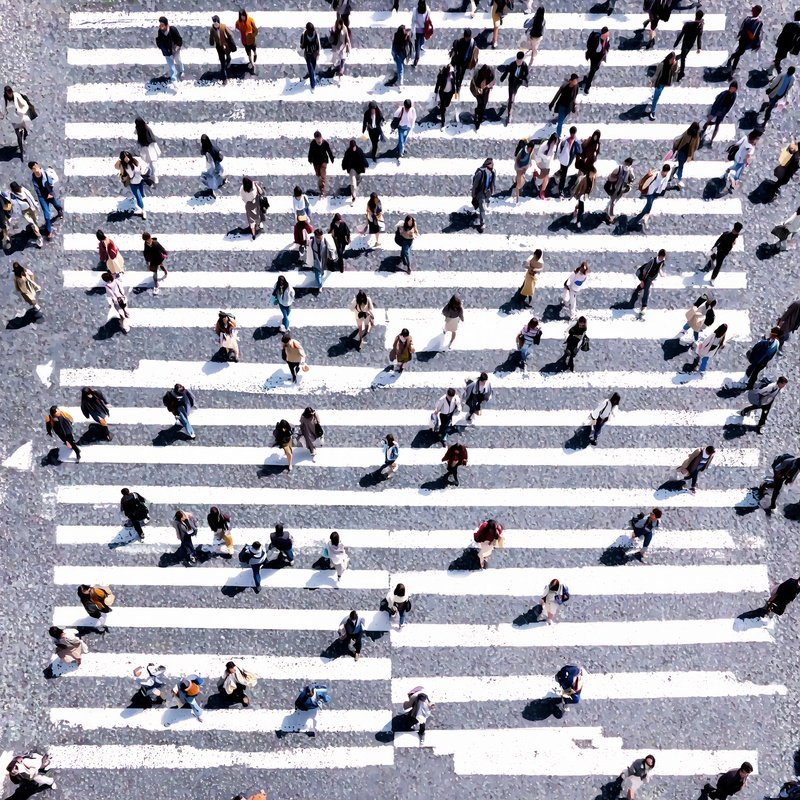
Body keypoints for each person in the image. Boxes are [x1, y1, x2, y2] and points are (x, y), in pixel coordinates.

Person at [28, 161, 62, 239]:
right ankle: (49, 231)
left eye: (35, 167)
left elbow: (52, 182)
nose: (35, 169)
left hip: (50, 193)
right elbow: (37, 189)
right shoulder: (34, 178)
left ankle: (60, 210)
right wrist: (41, 196)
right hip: (42, 197)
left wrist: (50, 193)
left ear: (37, 165)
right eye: (33, 168)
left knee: (56, 204)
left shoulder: (46, 173)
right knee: (46, 215)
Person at [725, 5, 763, 74]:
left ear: (757, 11)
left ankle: (731, 60)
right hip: (742, 39)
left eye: (753, 9)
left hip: (748, 42)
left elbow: (753, 36)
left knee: (739, 53)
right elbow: (742, 27)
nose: (752, 9)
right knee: (739, 53)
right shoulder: (748, 18)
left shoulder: (758, 22)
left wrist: (746, 31)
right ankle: (733, 67)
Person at [632, 163, 671, 229]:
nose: (666, 173)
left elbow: (664, 185)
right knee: (649, 206)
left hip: (657, 193)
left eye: (667, 172)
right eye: (665, 172)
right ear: (664, 171)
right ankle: (638, 220)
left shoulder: (667, 176)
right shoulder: (656, 174)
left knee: (649, 206)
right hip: (650, 193)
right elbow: (647, 180)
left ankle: (644, 216)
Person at [632, 249, 667, 316]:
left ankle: (638, 292)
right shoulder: (652, 261)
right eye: (661, 257)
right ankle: (644, 306)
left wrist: (662, 274)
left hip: (652, 277)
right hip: (646, 276)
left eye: (663, 257)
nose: (662, 259)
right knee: (646, 289)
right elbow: (645, 271)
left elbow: (659, 268)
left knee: (645, 286)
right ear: (658, 256)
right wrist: (642, 281)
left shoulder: (662, 262)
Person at [8, 180, 43, 247]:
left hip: (29, 209)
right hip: (28, 210)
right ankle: (39, 236)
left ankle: (37, 233)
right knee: (33, 223)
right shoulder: (20, 191)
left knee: (34, 222)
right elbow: (31, 198)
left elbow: (15, 205)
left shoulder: (17, 193)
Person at [115, 150, 149, 218]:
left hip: (140, 181)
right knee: (138, 196)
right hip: (133, 183)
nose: (126, 158)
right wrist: (119, 160)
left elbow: (141, 169)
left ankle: (140, 203)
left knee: (142, 194)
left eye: (127, 157)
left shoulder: (135, 161)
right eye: (124, 157)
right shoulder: (123, 166)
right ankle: (143, 210)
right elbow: (116, 166)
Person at [3, 85, 33, 159]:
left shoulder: (16, 96)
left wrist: (21, 111)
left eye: (11, 92)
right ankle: (21, 151)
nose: (10, 94)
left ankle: (25, 135)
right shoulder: (3, 100)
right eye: (8, 92)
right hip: (14, 121)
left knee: (26, 130)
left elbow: (25, 105)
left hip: (21, 118)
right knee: (18, 136)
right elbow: (3, 110)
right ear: (6, 93)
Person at [674, 10, 704, 81]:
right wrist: (699, 47)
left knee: (683, 57)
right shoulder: (700, 26)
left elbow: (681, 34)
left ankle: (681, 72)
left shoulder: (687, 24)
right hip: (690, 43)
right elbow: (699, 38)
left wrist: (676, 43)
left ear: (695, 15)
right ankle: (681, 71)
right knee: (683, 57)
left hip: (685, 42)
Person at [499, 52, 528, 125]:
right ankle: (509, 115)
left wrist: (524, 80)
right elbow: (506, 71)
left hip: (518, 82)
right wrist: (502, 78)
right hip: (512, 82)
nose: (518, 62)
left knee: (514, 93)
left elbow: (526, 73)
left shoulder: (524, 65)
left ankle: (510, 100)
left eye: (519, 60)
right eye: (517, 60)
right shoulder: (512, 64)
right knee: (512, 99)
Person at [449, 28, 479, 98]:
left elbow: (475, 51)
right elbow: (455, 47)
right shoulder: (460, 42)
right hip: (459, 61)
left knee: (461, 74)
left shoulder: (472, 43)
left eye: (468, 38)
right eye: (466, 37)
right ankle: (457, 86)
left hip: (466, 62)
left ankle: (458, 86)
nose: (467, 39)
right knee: (458, 73)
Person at [603, 157, 634, 224]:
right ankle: (610, 217)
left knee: (613, 201)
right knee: (613, 202)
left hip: (622, 190)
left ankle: (606, 210)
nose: (626, 165)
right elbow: (610, 177)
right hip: (614, 188)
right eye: (626, 163)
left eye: (628, 164)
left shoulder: (630, 171)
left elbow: (632, 179)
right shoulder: (618, 169)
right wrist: (615, 179)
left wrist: (628, 184)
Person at [670, 122, 700, 189]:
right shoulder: (696, 136)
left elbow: (681, 139)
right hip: (686, 154)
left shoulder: (688, 132)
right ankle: (679, 179)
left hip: (681, 151)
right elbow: (696, 146)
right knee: (681, 166)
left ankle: (674, 174)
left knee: (679, 164)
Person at [649, 52, 678, 120]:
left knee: (657, 94)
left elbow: (674, 73)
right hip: (660, 83)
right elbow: (656, 74)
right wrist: (651, 81)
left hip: (666, 83)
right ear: (668, 58)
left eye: (674, 59)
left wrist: (676, 70)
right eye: (672, 59)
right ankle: (652, 112)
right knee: (656, 97)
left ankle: (654, 97)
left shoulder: (674, 64)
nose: (673, 60)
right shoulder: (662, 65)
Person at [549, 73, 579, 138]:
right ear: (571, 81)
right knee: (560, 123)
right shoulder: (565, 86)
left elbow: (574, 97)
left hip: (568, 107)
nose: (575, 82)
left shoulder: (576, 86)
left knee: (561, 119)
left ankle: (558, 119)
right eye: (574, 81)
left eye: (576, 81)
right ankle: (558, 136)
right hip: (562, 106)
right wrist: (552, 103)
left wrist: (573, 106)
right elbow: (557, 94)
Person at [208, 15, 235, 85]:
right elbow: (211, 37)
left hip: (226, 46)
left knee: (228, 58)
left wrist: (232, 43)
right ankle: (224, 78)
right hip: (219, 47)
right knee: (222, 62)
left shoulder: (223, 26)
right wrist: (211, 42)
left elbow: (229, 35)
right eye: (214, 23)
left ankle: (224, 69)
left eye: (216, 23)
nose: (215, 24)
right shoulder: (212, 29)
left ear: (219, 22)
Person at [582, 27, 610, 94]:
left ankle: (588, 77)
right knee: (593, 71)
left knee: (596, 68)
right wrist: (591, 54)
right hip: (594, 56)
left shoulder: (607, 38)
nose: (608, 34)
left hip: (601, 55)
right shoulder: (596, 38)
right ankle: (587, 87)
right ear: (603, 34)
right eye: (606, 33)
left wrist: (606, 51)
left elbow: (607, 45)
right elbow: (589, 45)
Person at [156, 16, 184, 82]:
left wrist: (177, 46)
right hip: (166, 51)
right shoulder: (160, 31)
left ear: (166, 24)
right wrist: (161, 47)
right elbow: (159, 40)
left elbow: (179, 39)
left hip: (175, 49)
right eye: (160, 24)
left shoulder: (173, 29)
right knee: (171, 66)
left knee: (178, 60)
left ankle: (181, 71)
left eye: (162, 25)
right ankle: (174, 79)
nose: (161, 26)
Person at [471, 157, 495, 233]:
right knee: (482, 208)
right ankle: (482, 223)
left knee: (485, 202)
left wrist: (492, 190)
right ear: (488, 165)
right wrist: (473, 193)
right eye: (492, 164)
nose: (493, 165)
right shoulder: (480, 173)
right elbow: (475, 185)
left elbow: (493, 182)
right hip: (481, 192)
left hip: (487, 192)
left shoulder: (493, 172)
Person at [134, 117, 161, 186]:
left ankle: (154, 177)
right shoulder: (146, 128)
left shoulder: (143, 129)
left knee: (152, 162)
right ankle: (150, 173)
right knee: (151, 162)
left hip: (148, 147)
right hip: (149, 146)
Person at [556, 127, 581, 197]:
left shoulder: (576, 142)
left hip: (568, 161)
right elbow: (560, 148)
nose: (573, 135)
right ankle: (560, 190)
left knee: (563, 174)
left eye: (574, 134)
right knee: (563, 175)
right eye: (572, 134)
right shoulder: (565, 140)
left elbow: (579, 151)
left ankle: (560, 186)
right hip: (563, 160)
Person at [308, 130, 334, 198]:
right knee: (318, 175)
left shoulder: (325, 143)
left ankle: (322, 190)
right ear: (315, 139)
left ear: (321, 137)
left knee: (322, 175)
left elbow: (329, 151)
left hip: (323, 161)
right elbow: (310, 152)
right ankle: (321, 186)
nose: (318, 140)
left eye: (319, 138)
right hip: (316, 162)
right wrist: (310, 159)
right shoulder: (313, 143)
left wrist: (332, 158)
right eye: (317, 139)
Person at [469, 63, 495, 131]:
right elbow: (475, 85)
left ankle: (478, 119)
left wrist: (486, 86)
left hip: (485, 91)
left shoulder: (491, 75)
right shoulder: (478, 76)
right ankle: (478, 118)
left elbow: (492, 83)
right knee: (480, 103)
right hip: (478, 91)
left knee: (483, 105)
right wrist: (481, 87)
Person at [341, 139, 368, 203]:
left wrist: (366, 165)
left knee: (357, 178)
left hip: (359, 168)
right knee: (353, 183)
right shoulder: (348, 152)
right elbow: (345, 160)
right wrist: (343, 166)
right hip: (352, 168)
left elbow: (363, 158)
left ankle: (357, 181)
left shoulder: (359, 151)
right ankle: (354, 195)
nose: (353, 148)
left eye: (354, 147)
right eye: (352, 147)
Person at [240, 176, 266, 240]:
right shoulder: (254, 185)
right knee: (257, 213)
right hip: (256, 202)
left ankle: (253, 229)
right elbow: (261, 192)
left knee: (251, 217)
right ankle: (258, 225)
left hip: (249, 205)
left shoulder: (242, 189)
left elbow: (243, 198)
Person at [292, 185, 313, 261]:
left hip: (304, 216)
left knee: (306, 230)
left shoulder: (304, 197)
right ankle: (301, 242)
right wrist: (296, 219)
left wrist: (308, 218)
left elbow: (308, 208)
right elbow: (294, 210)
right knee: (299, 230)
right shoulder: (294, 199)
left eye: (299, 196)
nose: (298, 197)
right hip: (298, 217)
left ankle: (305, 241)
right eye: (297, 196)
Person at [235, 9, 258, 73]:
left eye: (243, 16)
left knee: (254, 48)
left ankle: (255, 54)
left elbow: (255, 29)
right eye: (241, 16)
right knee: (248, 53)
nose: (243, 17)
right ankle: (252, 63)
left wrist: (253, 35)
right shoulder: (238, 22)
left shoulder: (250, 20)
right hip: (244, 41)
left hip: (251, 39)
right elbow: (237, 27)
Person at [434, 63, 457, 128]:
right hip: (443, 93)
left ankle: (442, 106)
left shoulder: (452, 74)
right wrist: (436, 90)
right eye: (449, 72)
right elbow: (438, 82)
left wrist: (455, 90)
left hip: (450, 93)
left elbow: (454, 82)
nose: (450, 74)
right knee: (443, 107)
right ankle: (443, 121)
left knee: (447, 104)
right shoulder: (442, 75)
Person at [300, 22, 321, 91]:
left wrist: (318, 52)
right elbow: (302, 46)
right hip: (308, 54)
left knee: (313, 69)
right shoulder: (304, 35)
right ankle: (313, 85)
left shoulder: (315, 33)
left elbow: (318, 44)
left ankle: (308, 75)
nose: (312, 32)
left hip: (314, 54)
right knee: (311, 68)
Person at [411, 0, 431, 66]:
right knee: (420, 42)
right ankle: (417, 56)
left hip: (419, 30)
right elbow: (428, 18)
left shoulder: (416, 11)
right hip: (422, 30)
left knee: (419, 43)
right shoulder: (427, 10)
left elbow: (413, 21)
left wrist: (412, 30)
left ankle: (417, 55)